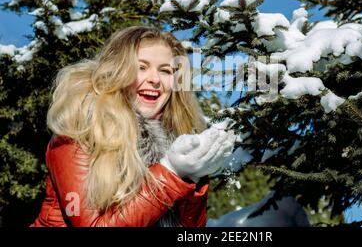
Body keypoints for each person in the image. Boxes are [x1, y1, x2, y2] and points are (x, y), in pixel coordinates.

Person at [30, 26, 236, 227]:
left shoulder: (177, 141)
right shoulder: (79, 132)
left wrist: (194, 179)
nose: (154, 79)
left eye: (165, 71)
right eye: (141, 67)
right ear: (117, 71)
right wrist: (171, 172)